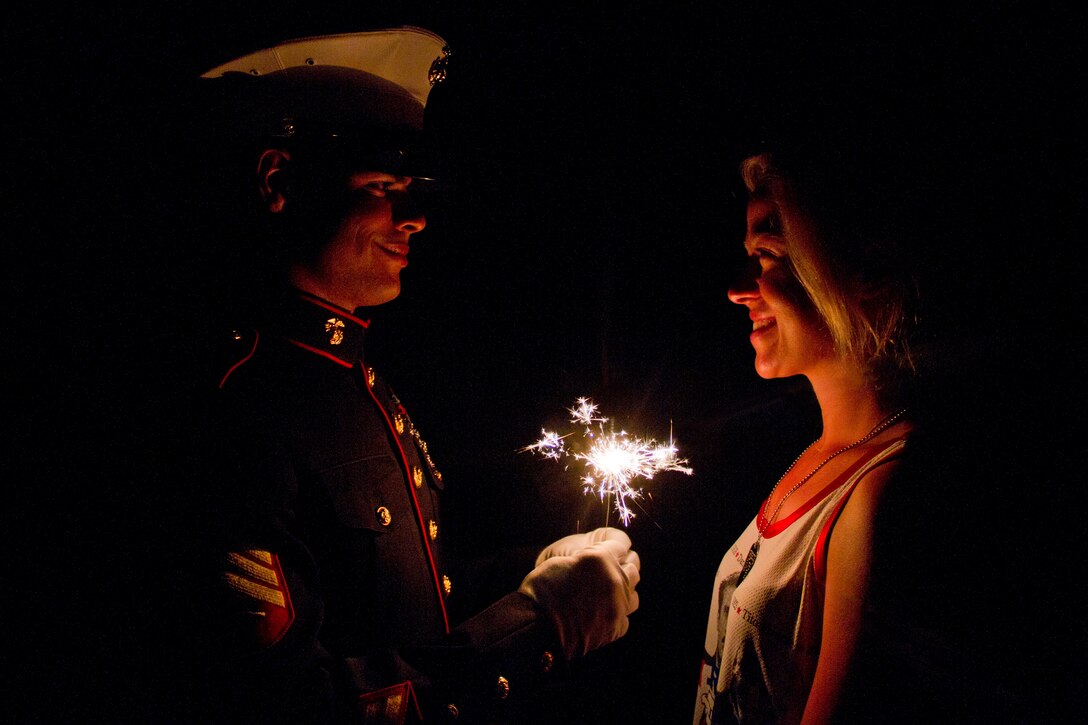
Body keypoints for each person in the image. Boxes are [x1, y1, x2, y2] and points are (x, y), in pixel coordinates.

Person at [156, 27, 641, 724]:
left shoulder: (353, 379)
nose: (414, 219)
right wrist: (539, 624)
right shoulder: (237, 411)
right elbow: (291, 704)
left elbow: (394, 611)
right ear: (279, 181)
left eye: (412, 190)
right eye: (384, 187)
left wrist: (537, 575)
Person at [692, 139, 933, 724]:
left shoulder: (881, 491)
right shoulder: (818, 456)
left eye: (770, 254)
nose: (740, 286)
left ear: (865, 272)